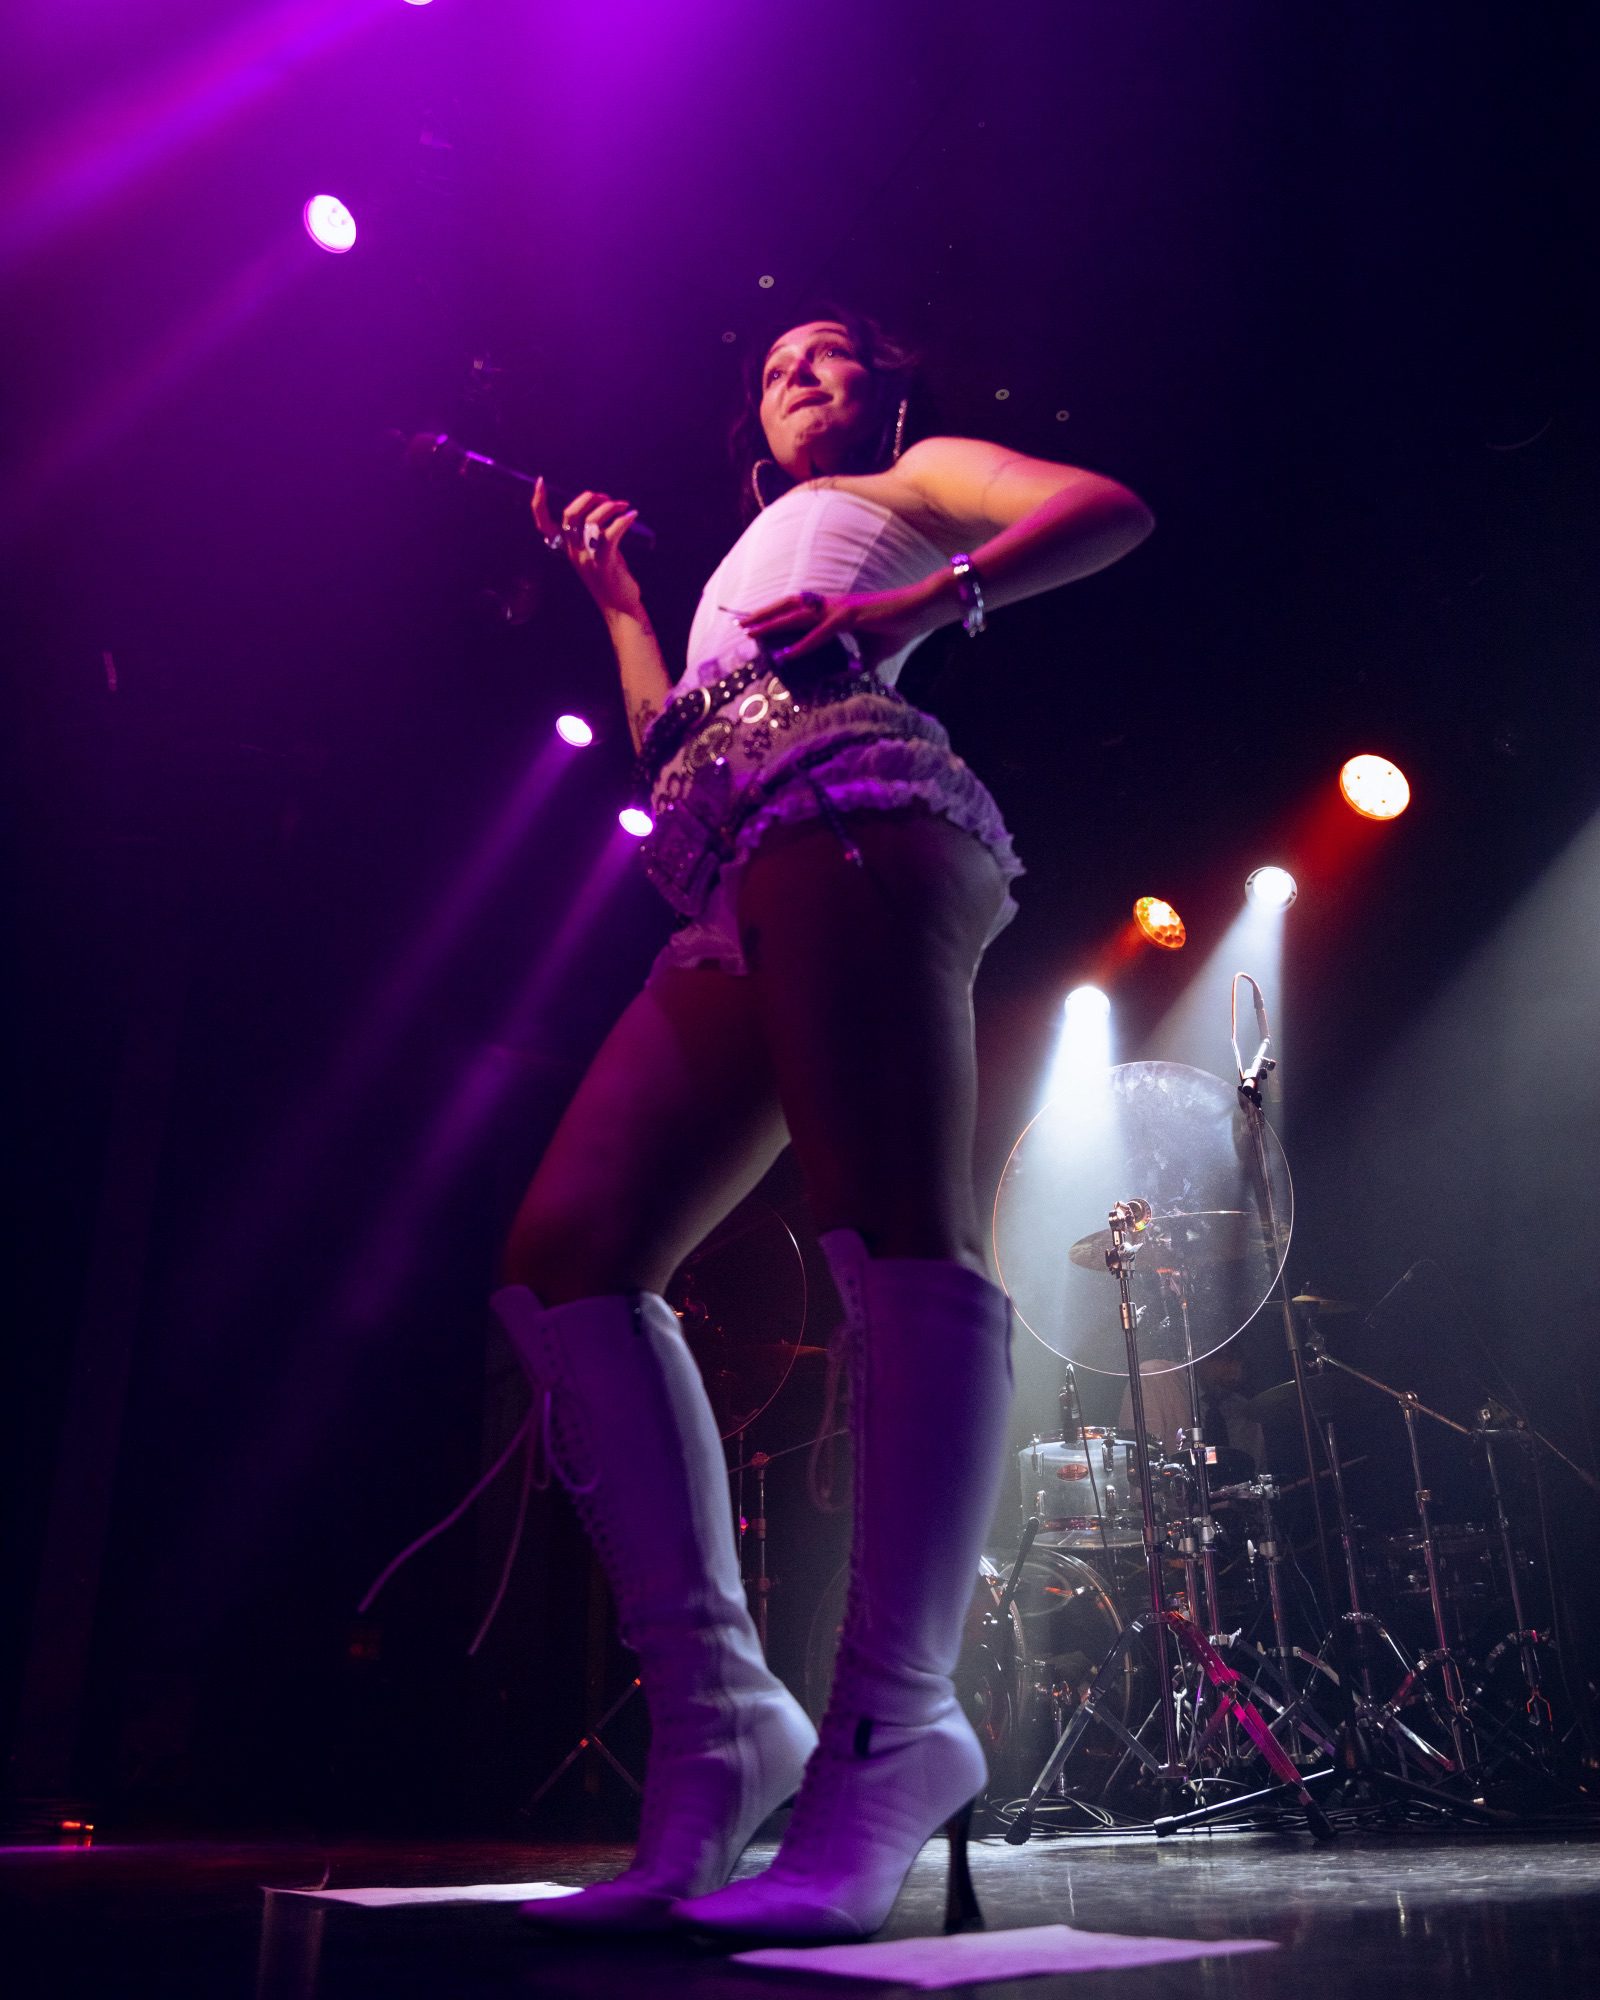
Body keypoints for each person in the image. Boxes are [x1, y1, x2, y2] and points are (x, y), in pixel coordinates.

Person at [494, 310, 1153, 1942]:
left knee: (894, 1229)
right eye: (776, 362)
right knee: (567, 1257)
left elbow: (1109, 509)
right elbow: (669, 743)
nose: (798, 372)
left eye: (835, 353)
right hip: (738, 863)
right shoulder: (741, 554)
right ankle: (721, 1726)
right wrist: (622, 605)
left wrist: (919, 601)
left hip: (857, 807)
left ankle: (895, 1724)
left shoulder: (912, 482)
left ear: (889, 394)